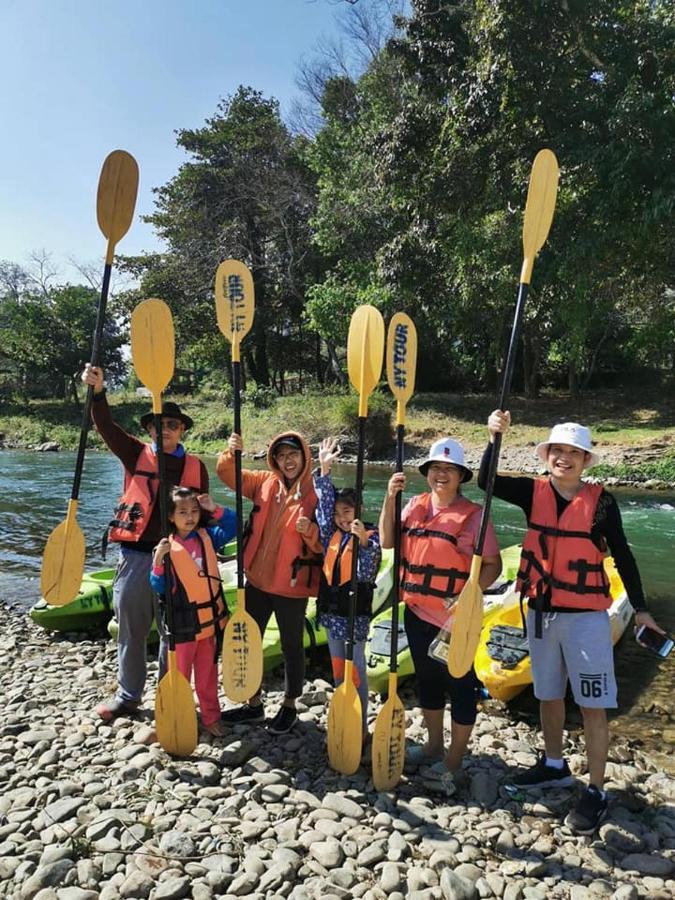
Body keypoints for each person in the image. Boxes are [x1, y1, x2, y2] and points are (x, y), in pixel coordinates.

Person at [483, 413, 666, 834]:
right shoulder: (533, 492)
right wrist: (495, 437)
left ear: (585, 460)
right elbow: (486, 482)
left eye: (572, 453)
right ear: (547, 456)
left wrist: (639, 609)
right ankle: (553, 764)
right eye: (557, 451)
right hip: (542, 612)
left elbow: (623, 555)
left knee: (592, 704)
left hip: (585, 617)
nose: (563, 458)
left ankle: (597, 788)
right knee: (548, 694)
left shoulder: (601, 503)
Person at [81, 364, 208, 721]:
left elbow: (204, 519)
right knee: (132, 629)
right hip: (137, 556)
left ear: (182, 430)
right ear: (150, 430)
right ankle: (128, 696)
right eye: (158, 425)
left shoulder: (196, 467)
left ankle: (171, 695)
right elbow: (105, 425)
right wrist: (99, 390)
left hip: (178, 559)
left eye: (172, 425)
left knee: (175, 630)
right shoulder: (136, 454)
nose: (165, 430)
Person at [379, 438, 502, 796]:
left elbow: (491, 566)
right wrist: (390, 496)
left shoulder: (474, 516)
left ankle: (454, 758)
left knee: (461, 685)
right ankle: (433, 744)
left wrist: (468, 597)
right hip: (418, 610)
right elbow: (388, 541)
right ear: (427, 473)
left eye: (448, 469)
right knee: (427, 681)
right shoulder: (413, 506)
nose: (441, 475)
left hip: (455, 620)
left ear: (461, 475)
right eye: (435, 469)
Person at [216, 431, 322, 734]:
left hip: (292, 587)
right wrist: (231, 451)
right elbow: (226, 473)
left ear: (304, 456)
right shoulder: (263, 482)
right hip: (258, 582)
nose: (287, 461)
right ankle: (253, 704)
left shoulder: (318, 494)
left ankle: (290, 705)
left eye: (293, 455)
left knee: (291, 647)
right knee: (248, 642)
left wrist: (310, 532)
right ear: (274, 460)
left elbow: (322, 546)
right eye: (281, 456)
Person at [307, 437, 381, 736]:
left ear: (358, 512)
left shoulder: (370, 539)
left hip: (354, 617)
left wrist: (362, 540)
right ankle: (343, 713)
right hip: (331, 614)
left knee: (356, 670)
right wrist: (324, 469)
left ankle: (360, 724)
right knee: (338, 669)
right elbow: (324, 506)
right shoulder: (329, 534)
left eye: (347, 513)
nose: (341, 518)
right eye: (339, 514)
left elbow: (366, 571)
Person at [151, 487, 236, 737]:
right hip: (182, 628)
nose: (190, 517)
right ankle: (176, 718)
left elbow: (233, 525)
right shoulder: (167, 546)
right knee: (178, 676)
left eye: (194, 511)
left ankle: (211, 718)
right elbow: (158, 587)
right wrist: (158, 563)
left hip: (209, 625)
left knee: (208, 677)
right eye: (183, 512)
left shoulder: (207, 536)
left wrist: (214, 507)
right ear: (170, 516)